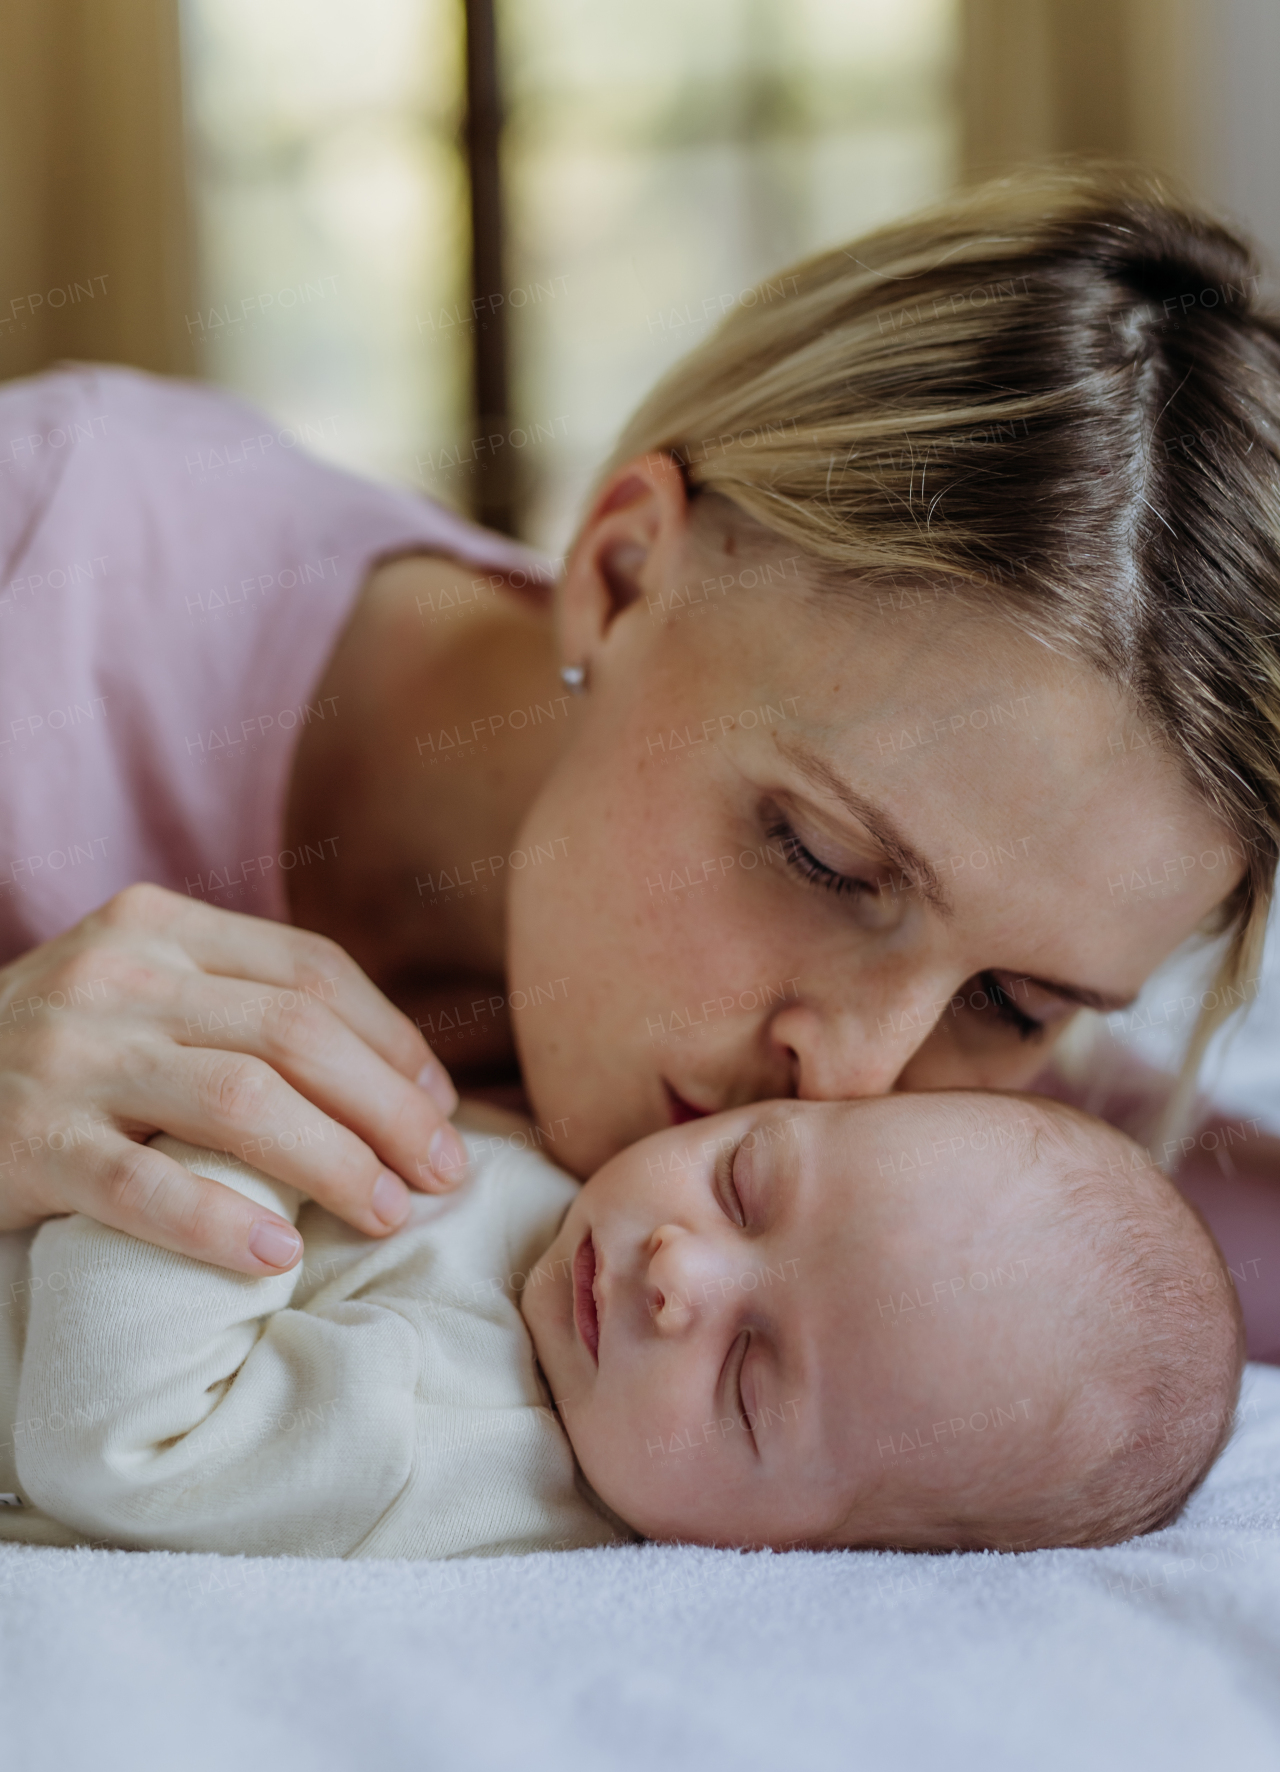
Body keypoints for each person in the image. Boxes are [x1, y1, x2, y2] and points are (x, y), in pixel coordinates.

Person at [0, 165, 1277, 1300]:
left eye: (1015, 1004)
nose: (848, 1083)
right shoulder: (42, 555)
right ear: (619, 574)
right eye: (823, 861)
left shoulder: (978, 1139)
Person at [0, 1090, 1242, 1558]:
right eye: (743, 1182)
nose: (676, 1271)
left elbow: (114, 1440)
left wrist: (231, 1131)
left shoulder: (459, 1445)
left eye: (747, 1383)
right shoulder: (563, 1207)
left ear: (794, 1555)